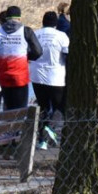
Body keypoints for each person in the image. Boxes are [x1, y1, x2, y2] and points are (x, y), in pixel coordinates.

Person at [0, 5, 43, 111]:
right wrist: (26, 58)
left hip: (3, 75)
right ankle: (17, 127)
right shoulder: (26, 31)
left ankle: (8, 125)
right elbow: (38, 51)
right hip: (20, 76)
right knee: (20, 109)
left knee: (7, 106)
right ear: (19, 18)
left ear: (6, 17)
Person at [30, 11, 69, 148]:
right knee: (60, 106)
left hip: (37, 76)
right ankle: (50, 128)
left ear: (43, 21)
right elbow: (66, 55)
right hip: (56, 76)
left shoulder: (35, 34)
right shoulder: (61, 36)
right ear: (56, 23)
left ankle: (42, 140)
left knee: (43, 107)